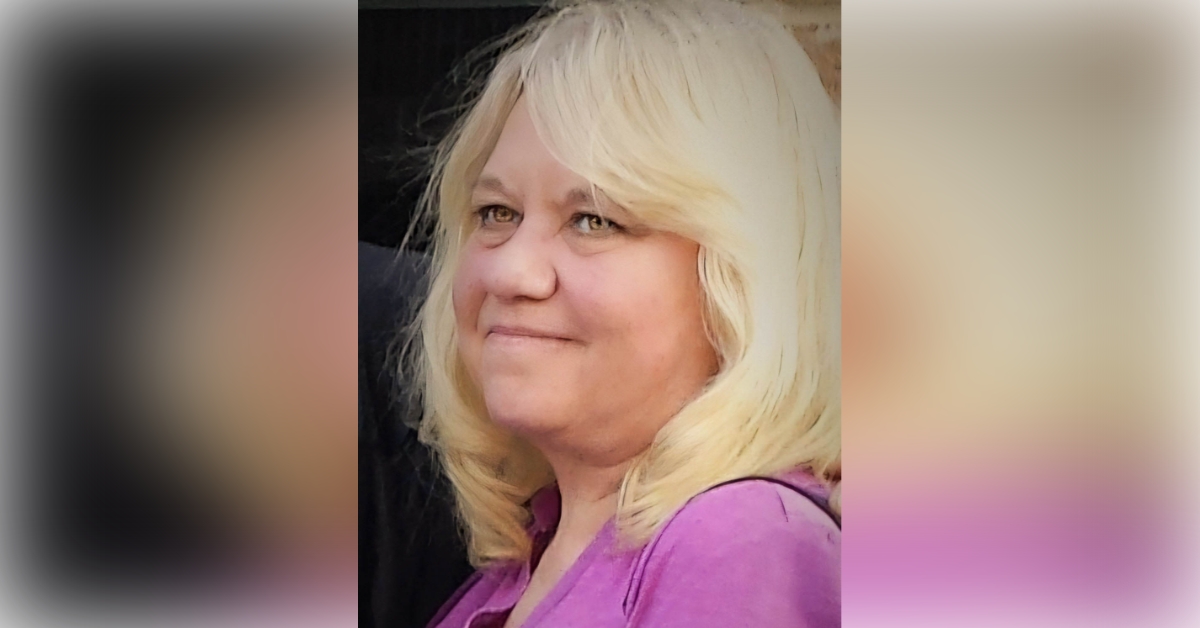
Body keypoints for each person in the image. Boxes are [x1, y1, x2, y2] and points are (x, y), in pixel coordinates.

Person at [406, 0, 840, 626]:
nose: (510, 272)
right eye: (496, 213)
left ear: (745, 274)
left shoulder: (738, 545)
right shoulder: (533, 554)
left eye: (594, 220)